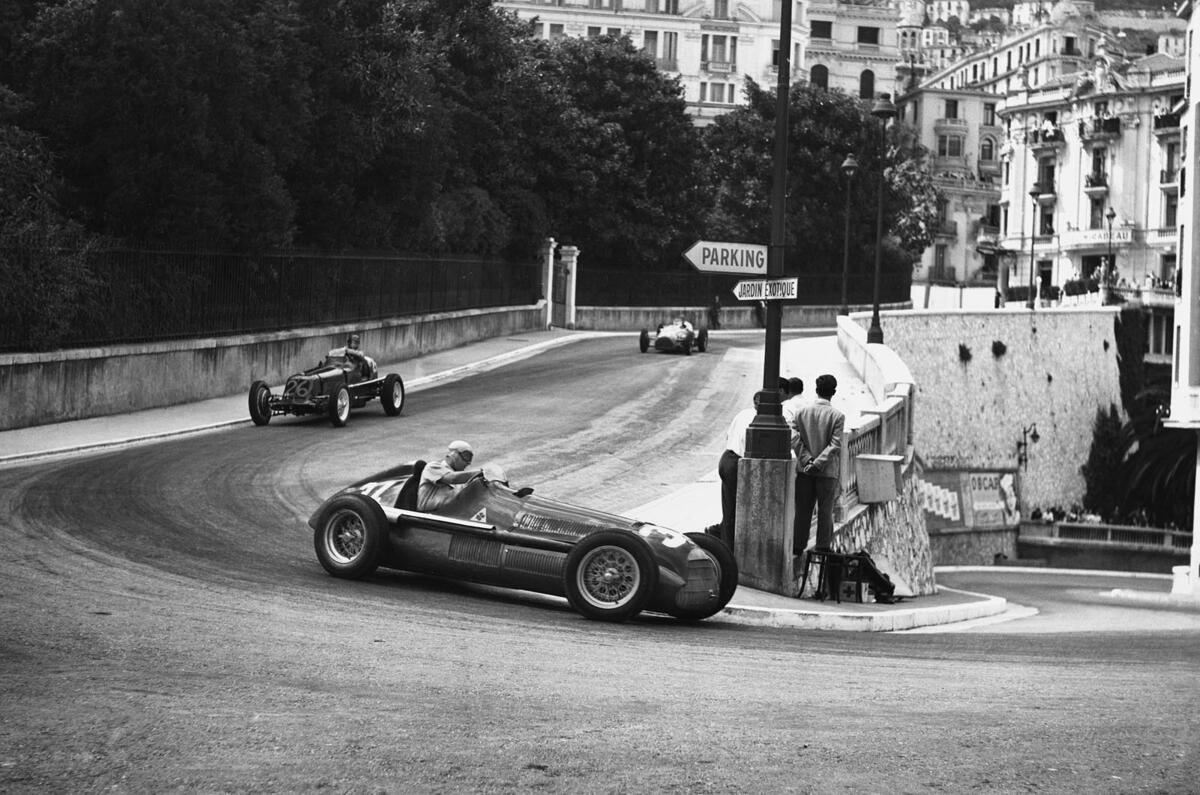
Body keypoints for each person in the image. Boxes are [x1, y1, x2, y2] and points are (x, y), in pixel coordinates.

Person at [791, 374, 844, 557]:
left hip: (804, 470)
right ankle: (822, 547)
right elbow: (835, 445)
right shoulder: (837, 416)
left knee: (803, 509)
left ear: (816, 390)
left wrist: (807, 460)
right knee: (825, 509)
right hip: (827, 472)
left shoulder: (801, 413)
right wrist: (819, 463)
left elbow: (794, 437)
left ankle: (798, 545)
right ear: (833, 393)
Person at [417, 440, 486, 512]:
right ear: (453, 454)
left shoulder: (461, 481)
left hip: (451, 516)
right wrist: (480, 473)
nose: (468, 463)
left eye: (470, 459)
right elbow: (452, 478)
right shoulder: (432, 467)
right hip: (428, 517)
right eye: (466, 456)